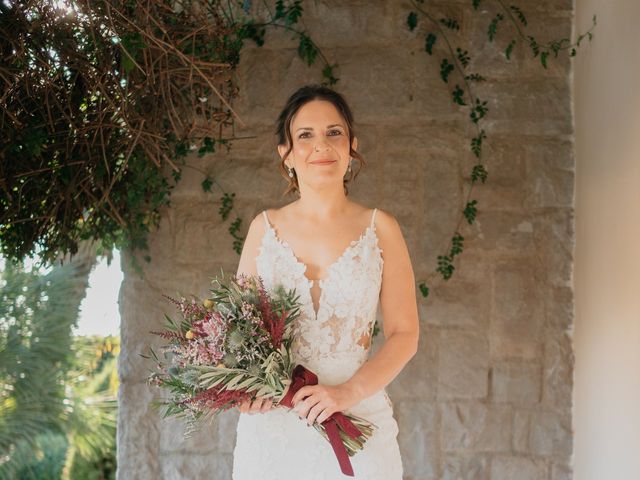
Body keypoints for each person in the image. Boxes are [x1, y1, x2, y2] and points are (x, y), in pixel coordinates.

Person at [232, 84, 419, 479]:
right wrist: (242, 387)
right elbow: (238, 333)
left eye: (334, 132)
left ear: (352, 145)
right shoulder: (263, 230)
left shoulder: (380, 228)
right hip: (273, 434)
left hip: (358, 424)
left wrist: (346, 394)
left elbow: (405, 334)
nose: (322, 145)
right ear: (286, 154)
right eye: (306, 135)